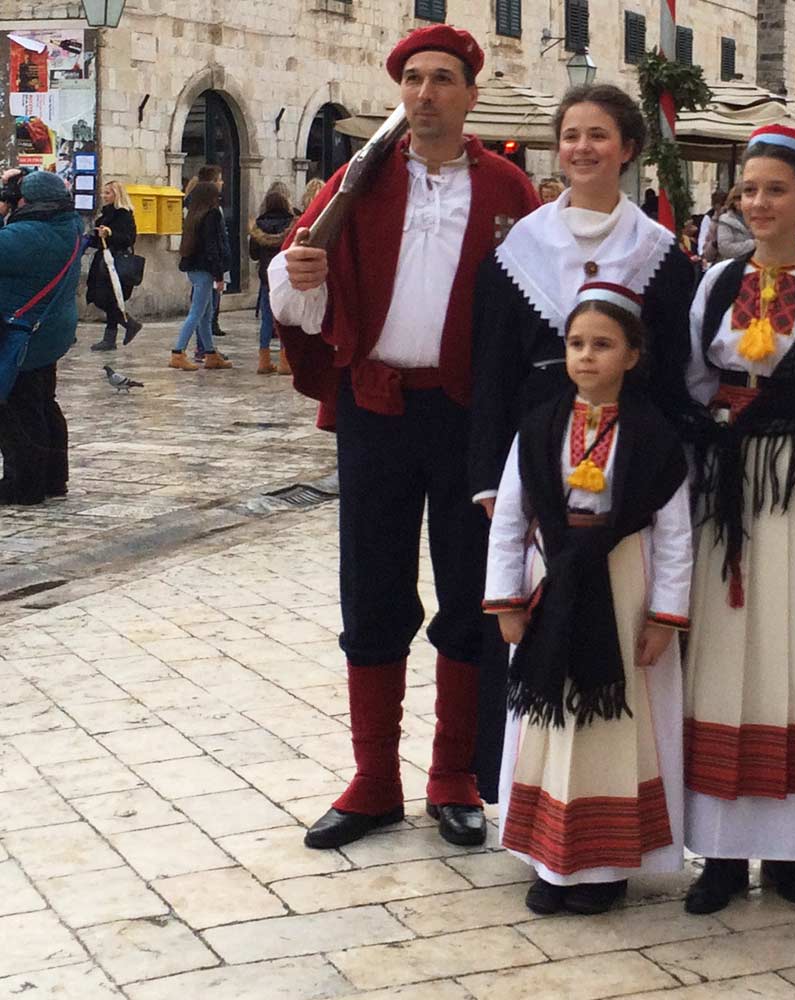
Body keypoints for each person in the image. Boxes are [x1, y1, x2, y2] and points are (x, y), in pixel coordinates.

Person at [269, 24, 541, 850]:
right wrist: (301, 272)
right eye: (414, 79)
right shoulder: (360, 176)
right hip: (376, 406)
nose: (425, 94)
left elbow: (537, 303)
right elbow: (292, 273)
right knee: (372, 585)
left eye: (443, 80)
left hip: (470, 418)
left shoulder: (508, 190)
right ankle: (373, 779)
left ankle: (453, 774)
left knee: (468, 589)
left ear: (471, 95)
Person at [468, 82, 699, 801]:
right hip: (538, 458)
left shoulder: (660, 254)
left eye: (598, 135)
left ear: (628, 149)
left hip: (629, 468)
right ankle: (531, 802)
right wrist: (488, 479)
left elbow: (674, 377)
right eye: (570, 135)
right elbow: (492, 368)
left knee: (621, 630)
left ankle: (619, 806)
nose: (582, 148)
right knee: (534, 630)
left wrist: (670, 473)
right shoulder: (520, 249)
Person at [679, 125, 795, 916]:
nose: (758, 203)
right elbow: (692, 382)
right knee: (719, 666)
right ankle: (721, 850)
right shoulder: (717, 283)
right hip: (725, 499)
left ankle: (793, 848)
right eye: (747, 190)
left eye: (775, 190)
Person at [485, 284, 692, 916]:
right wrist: (508, 599)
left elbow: (675, 531)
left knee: (613, 730)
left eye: (603, 345)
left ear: (633, 355)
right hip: (553, 585)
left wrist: (664, 616)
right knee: (553, 722)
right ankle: (551, 861)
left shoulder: (655, 436)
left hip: (623, 588)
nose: (586, 356)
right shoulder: (539, 425)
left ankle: (605, 866)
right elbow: (511, 518)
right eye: (576, 344)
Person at [0, 170, 86, 505]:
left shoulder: (28, 235)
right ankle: (54, 477)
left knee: (17, 407)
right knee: (44, 402)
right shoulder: (68, 226)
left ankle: (25, 484)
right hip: (49, 331)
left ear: (28, 202)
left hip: (21, 337)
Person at [170, 182, 233, 371]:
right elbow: (212, 246)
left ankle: (210, 354)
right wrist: (219, 275)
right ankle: (177, 352)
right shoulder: (212, 215)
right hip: (205, 269)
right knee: (197, 312)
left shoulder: (193, 215)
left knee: (206, 314)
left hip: (194, 268)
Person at [86, 180, 144, 352]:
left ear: (117, 195)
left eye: (108, 193)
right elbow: (99, 240)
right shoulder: (105, 213)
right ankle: (127, 325)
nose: (104, 196)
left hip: (115, 262)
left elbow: (128, 238)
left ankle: (111, 337)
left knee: (109, 298)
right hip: (103, 261)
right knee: (99, 297)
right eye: (103, 193)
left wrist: (110, 233)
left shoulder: (123, 214)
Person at [248, 183, 296, 374]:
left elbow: (253, 255)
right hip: (286, 277)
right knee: (285, 319)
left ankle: (264, 360)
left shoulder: (258, 226)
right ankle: (285, 362)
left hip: (266, 278)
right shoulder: (292, 224)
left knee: (267, 320)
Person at [706, 185, 754, 264]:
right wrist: (753, 244)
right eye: (737, 199)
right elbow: (726, 249)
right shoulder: (725, 220)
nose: (740, 202)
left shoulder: (756, 218)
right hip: (731, 266)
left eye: (744, 198)